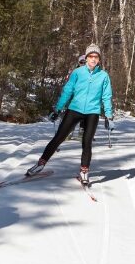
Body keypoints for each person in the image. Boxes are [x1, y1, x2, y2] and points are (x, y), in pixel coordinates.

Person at [27, 44, 113, 185]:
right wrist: (58, 109)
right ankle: (41, 163)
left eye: (96, 57)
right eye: (90, 56)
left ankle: (84, 171)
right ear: (86, 58)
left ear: (99, 59)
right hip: (74, 109)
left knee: (87, 142)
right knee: (59, 137)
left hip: (92, 112)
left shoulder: (104, 76)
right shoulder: (77, 73)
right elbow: (67, 91)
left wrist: (109, 115)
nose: (93, 59)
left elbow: (106, 96)